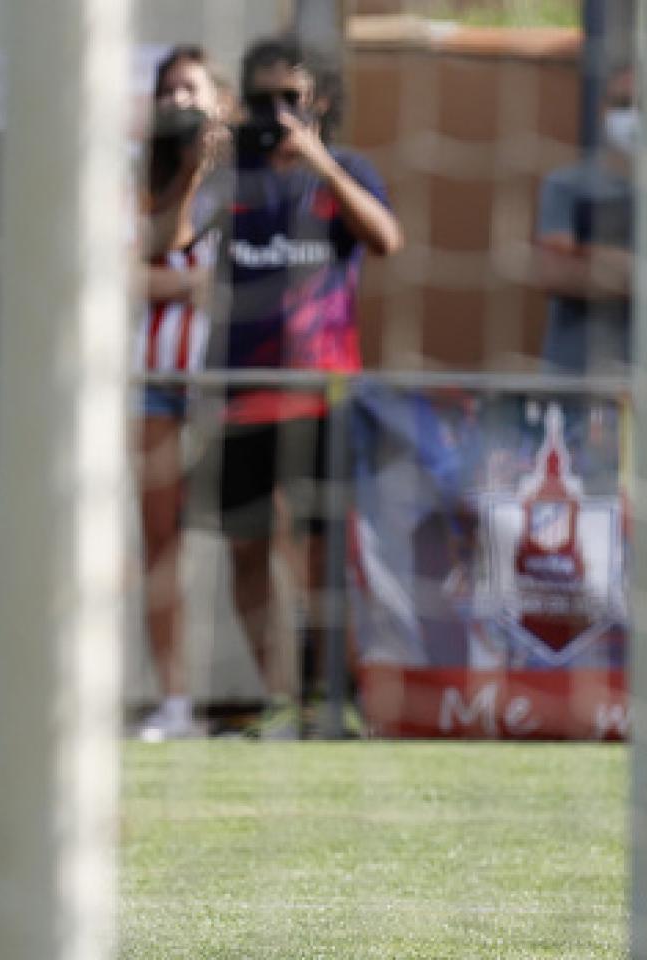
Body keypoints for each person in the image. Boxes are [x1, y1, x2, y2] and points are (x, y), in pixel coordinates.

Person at [195, 36, 402, 737]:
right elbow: (169, 240)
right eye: (263, 100)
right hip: (241, 391)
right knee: (246, 549)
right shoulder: (232, 177)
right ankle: (278, 695)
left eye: (292, 98)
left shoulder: (347, 170)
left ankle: (331, 696)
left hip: (323, 393)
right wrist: (197, 164)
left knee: (318, 553)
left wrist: (319, 162)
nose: (278, 113)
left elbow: (387, 240)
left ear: (322, 102)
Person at [133, 47, 228, 743]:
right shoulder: (140, 176)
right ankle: (175, 700)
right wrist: (192, 169)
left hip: (236, 385)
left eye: (191, 89)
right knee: (160, 547)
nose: (178, 102)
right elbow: (130, 268)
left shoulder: (252, 172)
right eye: (168, 90)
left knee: (263, 537)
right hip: (156, 386)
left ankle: (291, 693)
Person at [533, 66, 635, 375]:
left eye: (646, 105)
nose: (633, 116)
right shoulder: (567, 185)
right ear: (603, 109)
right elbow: (556, 272)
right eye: (622, 104)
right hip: (575, 380)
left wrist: (587, 254)